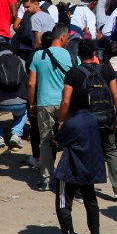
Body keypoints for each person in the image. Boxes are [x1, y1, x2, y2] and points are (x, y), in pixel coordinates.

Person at [59, 43, 117, 200]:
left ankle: (83, 191)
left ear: (78, 54)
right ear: (94, 53)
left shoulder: (73, 74)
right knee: (110, 150)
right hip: (107, 118)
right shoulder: (106, 70)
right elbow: (116, 95)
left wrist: (61, 121)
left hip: (85, 121)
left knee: (84, 152)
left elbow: (66, 101)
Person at [51, 100, 105, 234]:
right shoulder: (93, 119)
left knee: (63, 204)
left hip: (71, 168)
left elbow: (57, 142)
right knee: (91, 200)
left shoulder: (71, 123)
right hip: (89, 167)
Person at [29, 26, 76, 192]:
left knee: (45, 140)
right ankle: (67, 176)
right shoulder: (69, 56)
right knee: (69, 139)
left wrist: (32, 104)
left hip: (44, 102)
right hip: (64, 102)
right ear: (62, 38)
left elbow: (31, 83)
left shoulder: (38, 55)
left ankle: (47, 179)